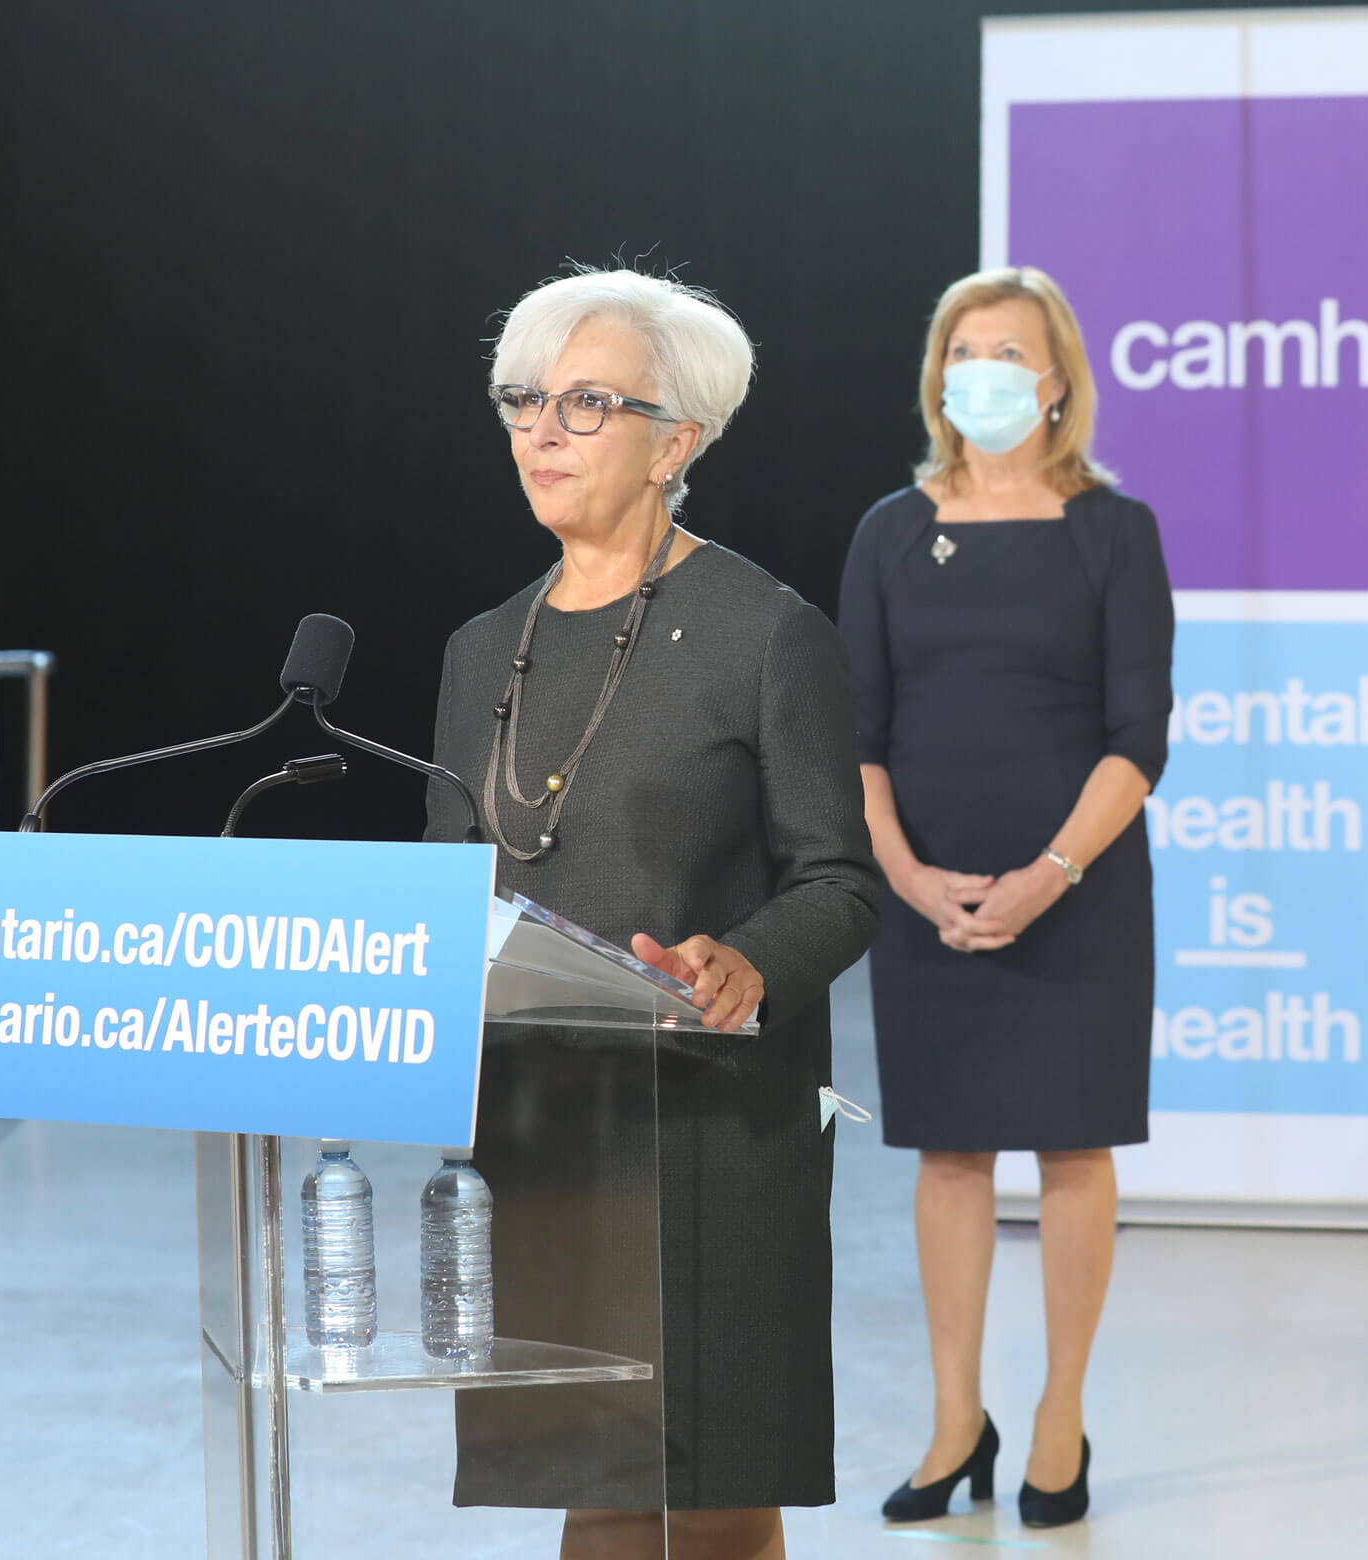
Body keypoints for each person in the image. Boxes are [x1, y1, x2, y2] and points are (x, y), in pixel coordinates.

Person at [425, 267, 883, 1560]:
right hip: (543, 1125)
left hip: (712, 1131)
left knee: (714, 1484)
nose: (540, 432)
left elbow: (840, 881)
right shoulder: (479, 649)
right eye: (523, 400)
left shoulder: (764, 634)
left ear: (677, 440)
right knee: (594, 1474)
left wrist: (744, 960)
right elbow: (450, 877)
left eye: (584, 404)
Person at [839, 266, 1172, 1531]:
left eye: (1006, 349)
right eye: (959, 349)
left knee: (1073, 1145)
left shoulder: (1113, 530)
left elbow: (1139, 736)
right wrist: (910, 878)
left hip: (1076, 886)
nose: (979, 369)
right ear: (940, 378)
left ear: (1056, 379)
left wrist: (1047, 879)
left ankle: (1057, 1417)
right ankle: (952, 1418)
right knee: (950, 1150)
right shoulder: (887, 529)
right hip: (926, 891)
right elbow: (855, 733)